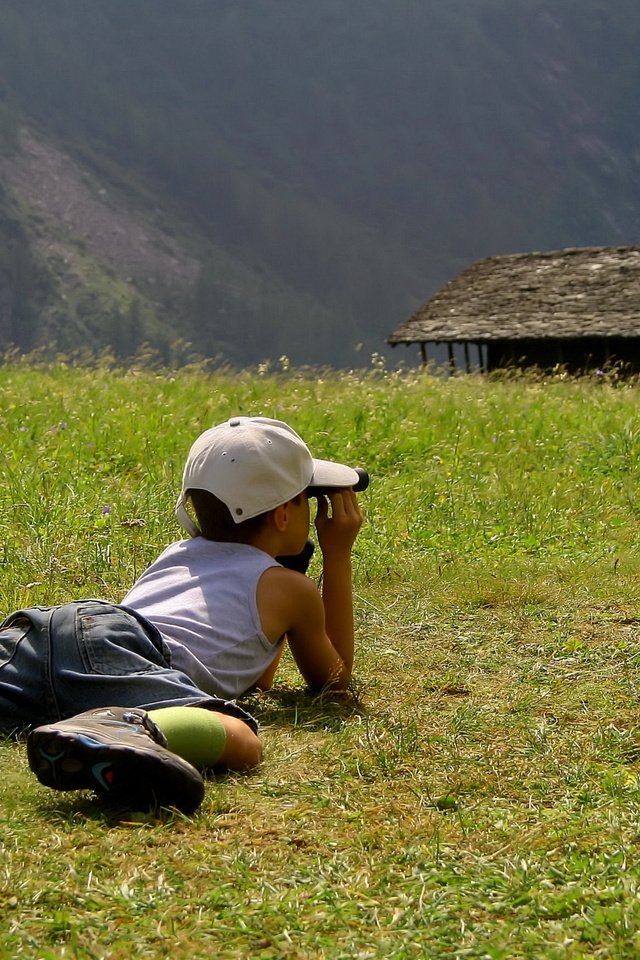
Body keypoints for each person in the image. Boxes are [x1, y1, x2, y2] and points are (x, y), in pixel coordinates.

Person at [0, 416, 364, 815]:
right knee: (242, 739)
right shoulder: (292, 590)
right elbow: (333, 679)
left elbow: (255, 677)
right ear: (281, 516)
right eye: (306, 499)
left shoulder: (177, 554)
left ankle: (93, 721)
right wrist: (337, 553)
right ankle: (123, 727)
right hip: (126, 648)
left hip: (53, 632)